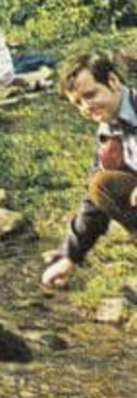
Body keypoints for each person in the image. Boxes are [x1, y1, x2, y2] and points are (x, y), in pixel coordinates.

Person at [41, 52, 137, 290]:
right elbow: (93, 205)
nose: (86, 107)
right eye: (78, 103)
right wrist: (70, 257)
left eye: (90, 95)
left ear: (113, 82)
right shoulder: (108, 131)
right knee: (102, 185)